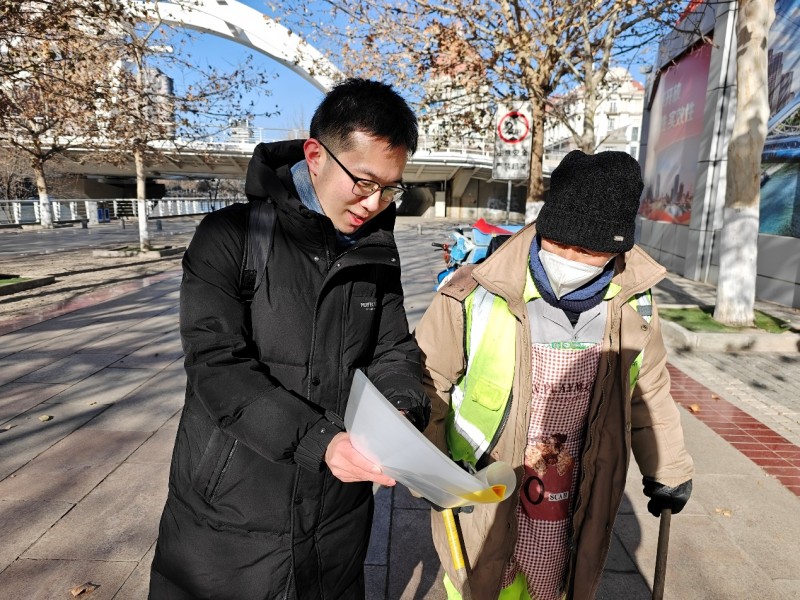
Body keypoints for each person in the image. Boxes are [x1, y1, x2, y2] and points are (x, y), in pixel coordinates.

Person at [149, 78, 430, 599]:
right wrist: (319, 442)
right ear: (316, 155)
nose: (374, 203)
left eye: (391, 188)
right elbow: (216, 366)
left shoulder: (376, 253)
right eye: (364, 182)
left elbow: (393, 350)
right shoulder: (230, 237)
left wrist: (401, 411)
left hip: (335, 519)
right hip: (230, 519)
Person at [414, 150, 694, 600]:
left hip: (572, 490)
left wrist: (669, 469)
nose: (572, 258)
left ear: (618, 249)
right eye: (560, 242)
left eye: (590, 250)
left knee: (556, 581)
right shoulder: (475, 292)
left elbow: (649, 392)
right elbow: (428, 379)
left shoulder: (633, 308)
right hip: (483, 482)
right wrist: (427, 463)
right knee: (476, 581)